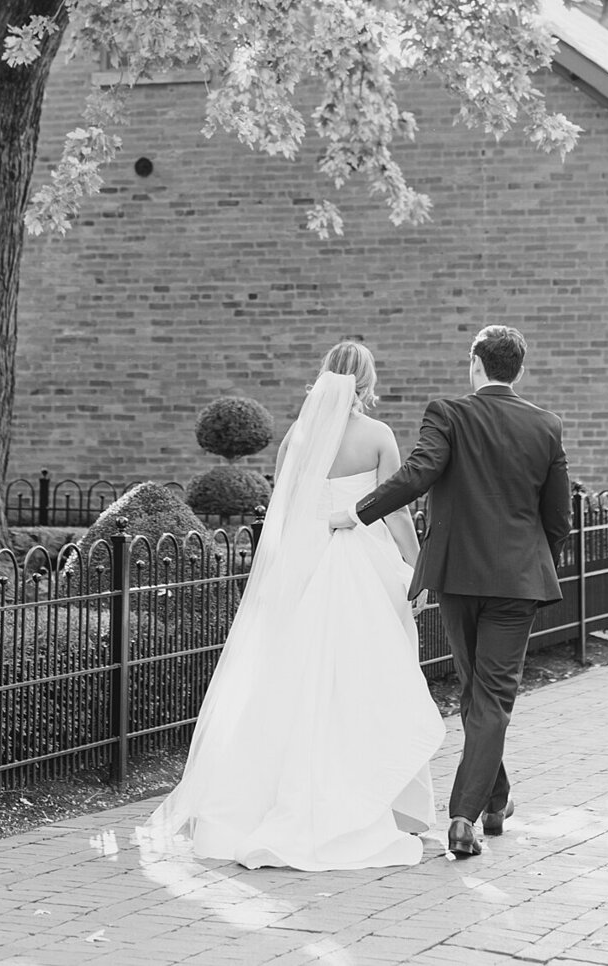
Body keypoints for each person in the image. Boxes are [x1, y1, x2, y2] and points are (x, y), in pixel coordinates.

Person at [147, 340, 446, 869]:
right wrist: (419, 567)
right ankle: (378, 803)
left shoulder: (298, 438)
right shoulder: (378, 436)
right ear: (367, 382)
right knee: (366, 680)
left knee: (292, 678)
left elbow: (283, 512)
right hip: (362, 567)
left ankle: (272, 795)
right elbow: (397, 514)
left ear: (324, 376)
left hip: (306, 566)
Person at [331, 324, 571, 859]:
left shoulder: (447, 413)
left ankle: (476, 809)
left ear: (475, 364)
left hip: (458, 578)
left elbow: (418, 475)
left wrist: (353, 513)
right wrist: (533, 565)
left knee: (477, 693)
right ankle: (480, 807)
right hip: (517, 582)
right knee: (489, 696)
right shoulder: (546, 426)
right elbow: (559, 519)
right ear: (519, 370)